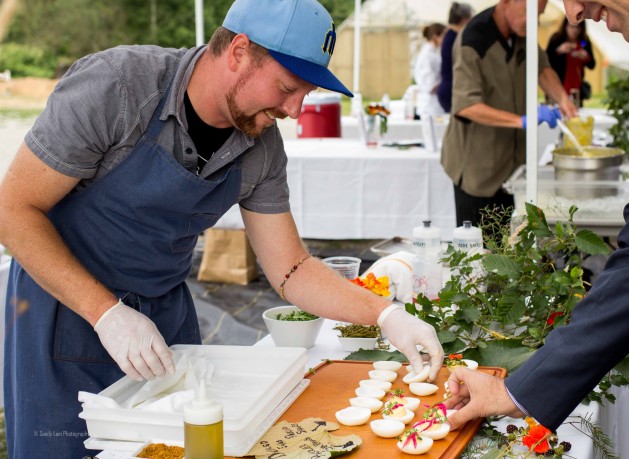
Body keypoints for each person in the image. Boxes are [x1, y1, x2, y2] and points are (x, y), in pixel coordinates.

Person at [0, 0, 443, 455]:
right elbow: (13, 210)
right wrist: (105, 313)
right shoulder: (117, 88)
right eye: (288, 87)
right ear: (238, 52)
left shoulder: (261, 149)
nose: (295, 110)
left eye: (306, 93)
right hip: (68, 314)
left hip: (165, 317)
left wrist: (385, 316)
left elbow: (291, 268)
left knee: (185, 447)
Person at [444, 0, 629, 437]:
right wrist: (517, 390)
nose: (573, 12)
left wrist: (556, 98)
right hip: (479, 166)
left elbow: (544, 72)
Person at [440, 0, 578, 230]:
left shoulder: (522, 32)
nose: (534, 22)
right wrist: (522, 121)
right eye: (529, 12)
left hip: (511, 169)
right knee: (478, 247)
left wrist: (564, 101)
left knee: (507, 243)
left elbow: (542, 68)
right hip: (478, 169)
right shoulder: (474, 40)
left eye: (539, 15)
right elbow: (466, 105)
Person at [546, 16, 596, 106]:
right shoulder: (557, 39)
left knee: (575, 109)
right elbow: (546, 60)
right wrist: (559, 51)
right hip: (558, 85)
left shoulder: (584, 41)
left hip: (576, 88)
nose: (575, 30)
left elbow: (592, 65)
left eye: (578, 27)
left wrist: (585, 57)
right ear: (565, 26)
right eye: (572, 27)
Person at [437, 2, 474, 113]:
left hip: (448, 88)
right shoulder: (454, 38)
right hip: (452, 90)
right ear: (464, 19)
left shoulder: (450, 35)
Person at [413, 23, 447, 117]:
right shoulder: (428, 56)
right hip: (430, 107)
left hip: (432, 105)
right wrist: (447, 82)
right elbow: (430, 86)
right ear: (435, 36)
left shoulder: (431, 54)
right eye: (444, 36)